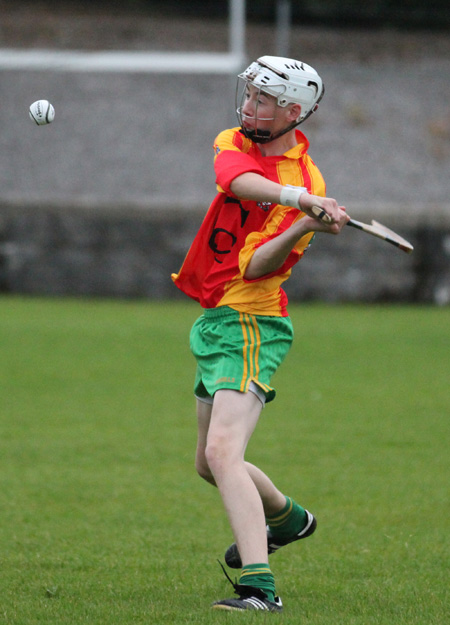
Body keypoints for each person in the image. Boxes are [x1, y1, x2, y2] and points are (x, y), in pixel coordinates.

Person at [171, 55, 349, 612]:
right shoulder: (238, 143)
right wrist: (300, 206)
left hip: (252, 323)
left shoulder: (307, 180)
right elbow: (233, 180)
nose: (248, 107)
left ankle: (260, 588)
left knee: (224, 453)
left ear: (293, 111)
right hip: (215, 319)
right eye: (248, 95)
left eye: (262, 100)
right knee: (207, 462)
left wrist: (300, 223)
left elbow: (257, 267)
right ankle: (290, 519)